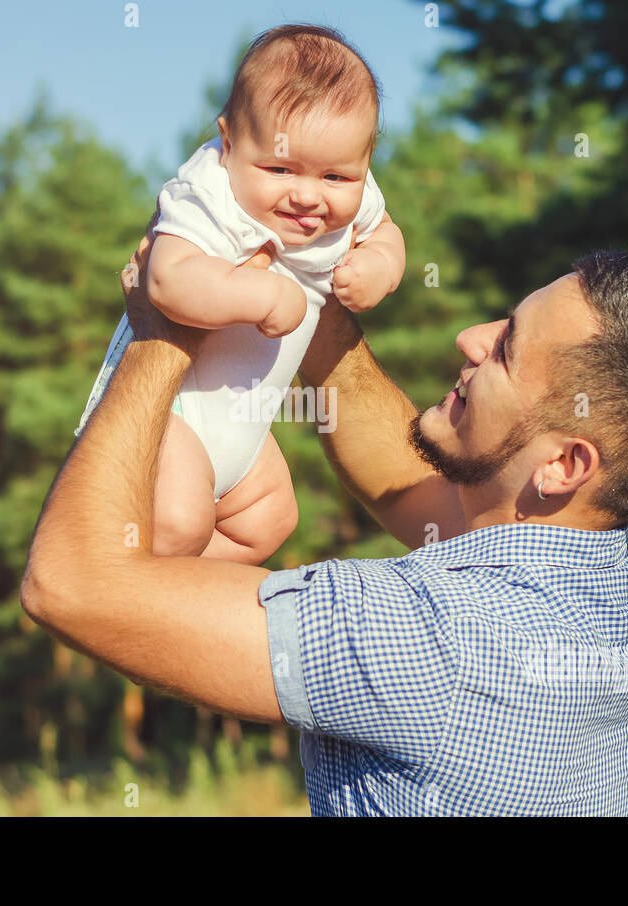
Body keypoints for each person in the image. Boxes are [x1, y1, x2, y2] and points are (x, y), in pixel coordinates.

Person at [23, 227, 628, 815]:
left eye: (505, 350)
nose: (472, 336)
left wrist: (160, 342)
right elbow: (413, 488)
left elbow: (73, 586)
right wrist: (306, 290)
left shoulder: (425, 640)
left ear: (565, 465)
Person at [74, 24, 405, 565]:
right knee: (180, 522)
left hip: (242, 430)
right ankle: (117, 577)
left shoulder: (355, 192)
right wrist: (263, 296)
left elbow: (386, 230)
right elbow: (165, 278)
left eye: (337, 177)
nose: (308, 195)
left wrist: (380, 264)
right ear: (228, 144)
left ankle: (170, 600)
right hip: (173, 413)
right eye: (279, 168)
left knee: (271, 523)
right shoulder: (210, 194)